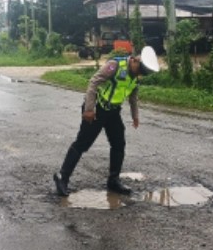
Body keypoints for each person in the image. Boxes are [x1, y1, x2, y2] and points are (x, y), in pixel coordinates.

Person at [53, 46, 160, 197]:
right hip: (97, 108)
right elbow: (94, 82)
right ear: (135, 60)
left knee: (119, 144)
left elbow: (133, 96)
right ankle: (62, 178)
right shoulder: (115, 65)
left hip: (113, 111)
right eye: (140, 70)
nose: (139, 74)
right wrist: (89, 109)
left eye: (142, 73)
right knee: (83, 143)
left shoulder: (136, 76)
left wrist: (135, 115)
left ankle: (113, 180)